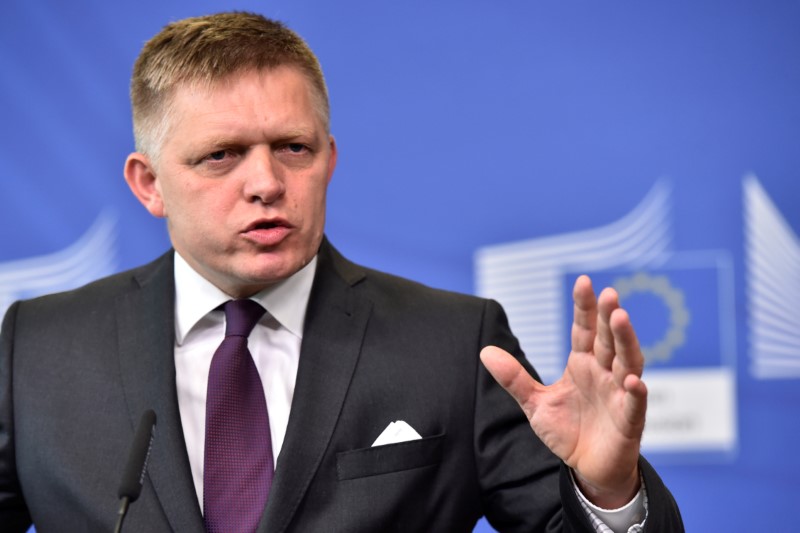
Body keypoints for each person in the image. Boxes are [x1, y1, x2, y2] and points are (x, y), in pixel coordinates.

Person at [0, 12, 683, 533]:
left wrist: (609, 488)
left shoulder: (452, 342)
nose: (266, 182)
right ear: (148, 184)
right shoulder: (40, 347)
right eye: (221, 156)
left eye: (293, 147)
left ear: (329, 158)